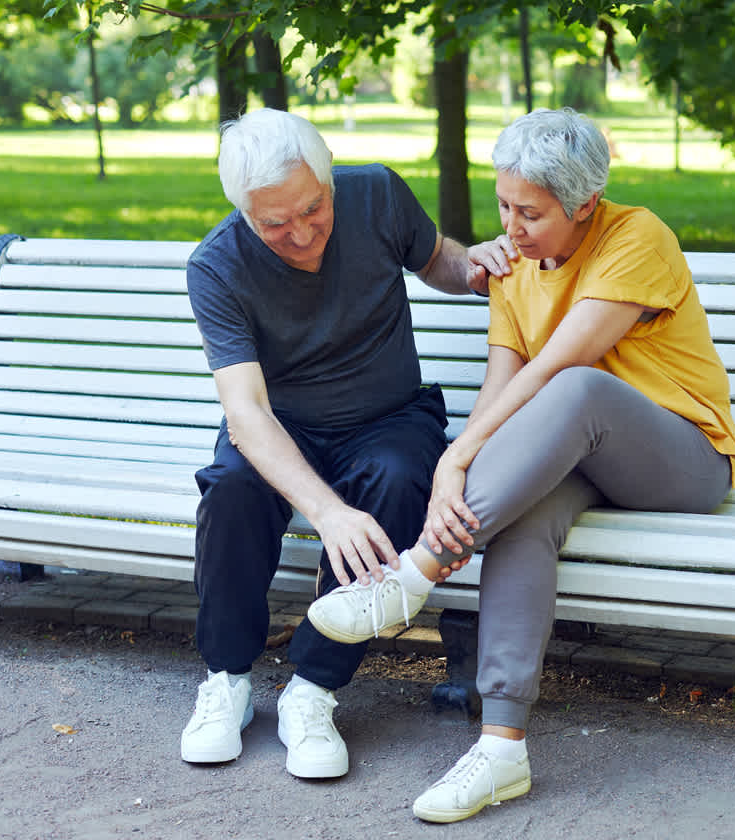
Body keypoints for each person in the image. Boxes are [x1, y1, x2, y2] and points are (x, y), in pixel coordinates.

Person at [308, 107, 735, 821]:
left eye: (530, 213)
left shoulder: (637, 238)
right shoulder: (512, 267)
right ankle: (501, 747)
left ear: (586, 206)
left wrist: (452, 463)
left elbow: (552, 372)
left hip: (683, 459)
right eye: (503, 204)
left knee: (578, 388)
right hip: (585, 455)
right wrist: (464, 462)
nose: (509, 228)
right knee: (521, 519)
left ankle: (409, 578)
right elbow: (502, 385)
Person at [179, 108, 512, 778]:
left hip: (387, 417)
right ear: (243, 211)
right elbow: (244, 413)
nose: (301, 234)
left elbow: (436, 260)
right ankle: (227, 681)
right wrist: (328, 512)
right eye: (275, 223)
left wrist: (471, 264)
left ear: (329, 182)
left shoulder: (375, 193)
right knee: (233, 488)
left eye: (312, 208)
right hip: (283, 425)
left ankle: (313, 688)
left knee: (396, 477)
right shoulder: (215, 266)